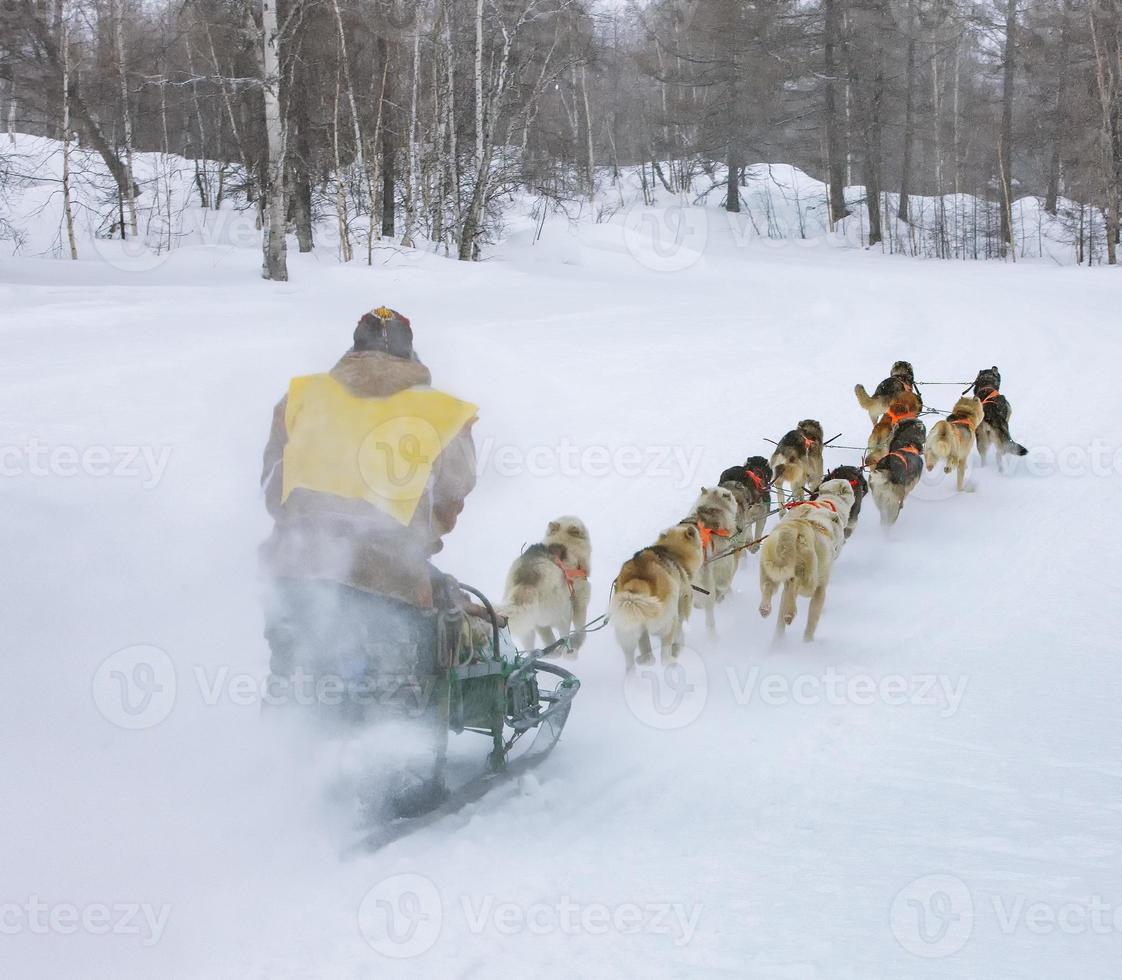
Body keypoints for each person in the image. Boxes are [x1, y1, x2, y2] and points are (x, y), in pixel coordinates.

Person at [259, 306, 478, 816]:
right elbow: (452, 495)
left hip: (294, 570)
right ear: (410, 353)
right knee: (393, 688)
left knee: (296, 674)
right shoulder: (441, 412)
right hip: (389, 581)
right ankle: (392, 790)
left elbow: (273, 488)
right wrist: (416, 541)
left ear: (353, 349)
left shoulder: (299, 398)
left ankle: (277, 779)